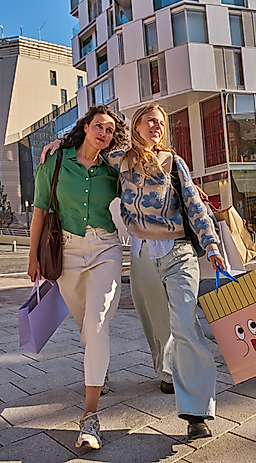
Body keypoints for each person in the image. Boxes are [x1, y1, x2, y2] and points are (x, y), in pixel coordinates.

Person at [42, 102, 225, 441]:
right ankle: (167, 371)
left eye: (161, 123)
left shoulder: (173, 163)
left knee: (185, 321)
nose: (156, 127)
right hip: (141, 254)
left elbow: (195, 207)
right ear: (138, 126)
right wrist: (59, 145)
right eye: (150, 121)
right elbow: (89, 147)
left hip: (177, 251)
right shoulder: (120, 160)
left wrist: (212, 246)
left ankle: (197, 412)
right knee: (154, 321)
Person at [27, 105, 129, 450]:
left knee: (97, 321)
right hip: (65, 253)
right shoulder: (54, 162)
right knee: (86, 325)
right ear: (86, 127)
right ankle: (99, 368)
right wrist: (32, 257)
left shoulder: (112, 170)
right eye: (98, 126)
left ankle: (90, 417)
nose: (104, 133)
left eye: (110, 130)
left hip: (105, 248)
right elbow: (41, 209)